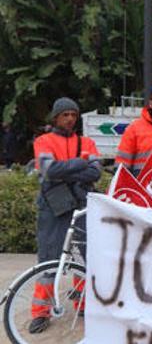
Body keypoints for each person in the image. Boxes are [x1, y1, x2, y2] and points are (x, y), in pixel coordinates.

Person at [30, 98, 101, 334]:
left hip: (81, 204)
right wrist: (80, 164)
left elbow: (96, 171)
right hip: (53, 207)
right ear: (56, 117)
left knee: (83, 255)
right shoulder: (43, 141)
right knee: (50, 258)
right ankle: (40, 312)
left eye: (73, 114)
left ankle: (83, 303)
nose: (70, 118)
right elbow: (49, 170)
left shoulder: (87, 141)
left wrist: (66, 170)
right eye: (65, 114)